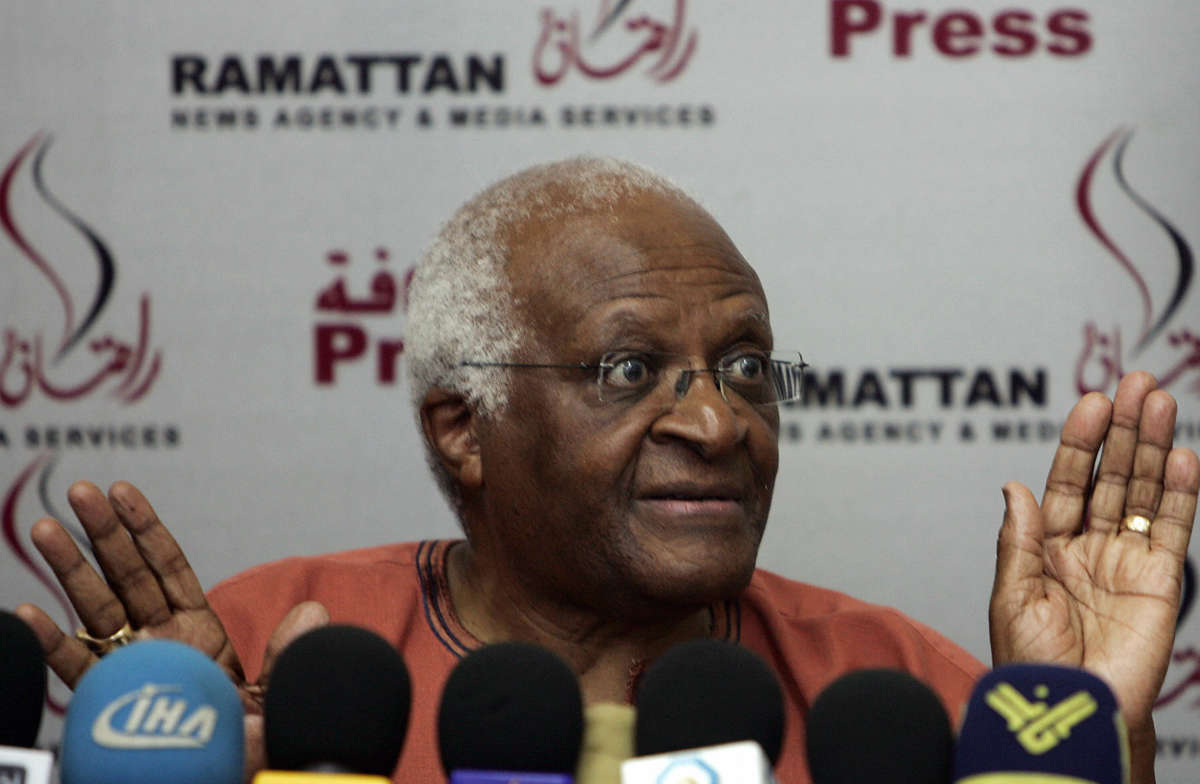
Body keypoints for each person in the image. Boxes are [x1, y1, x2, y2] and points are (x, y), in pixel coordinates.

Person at [15, 158, 1199, 784]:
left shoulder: (907, 700)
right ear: (461, 429)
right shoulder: (273, 664)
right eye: (633, 370)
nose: (719, 421)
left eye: (744, 365)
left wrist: (1098, 737)